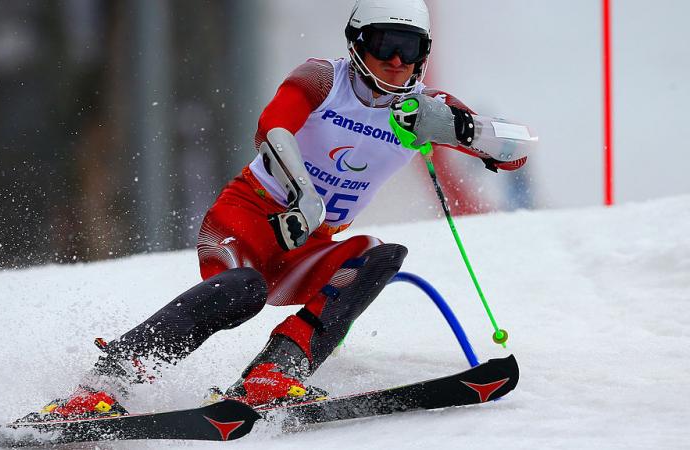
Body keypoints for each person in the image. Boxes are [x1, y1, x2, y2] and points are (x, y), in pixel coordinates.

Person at [26, 0, 529, 420]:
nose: (396, 61)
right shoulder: (322, 78)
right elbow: (273, 128)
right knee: (243, 289)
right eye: (383, 44)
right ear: (358, 44)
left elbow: (516, 152)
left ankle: (276, 370)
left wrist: (466, 131)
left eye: (410, 48)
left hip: (307, 246)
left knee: (380, 254)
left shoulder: (424, 109)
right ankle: (102, 384)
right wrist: (304, 195)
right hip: (245, 221)